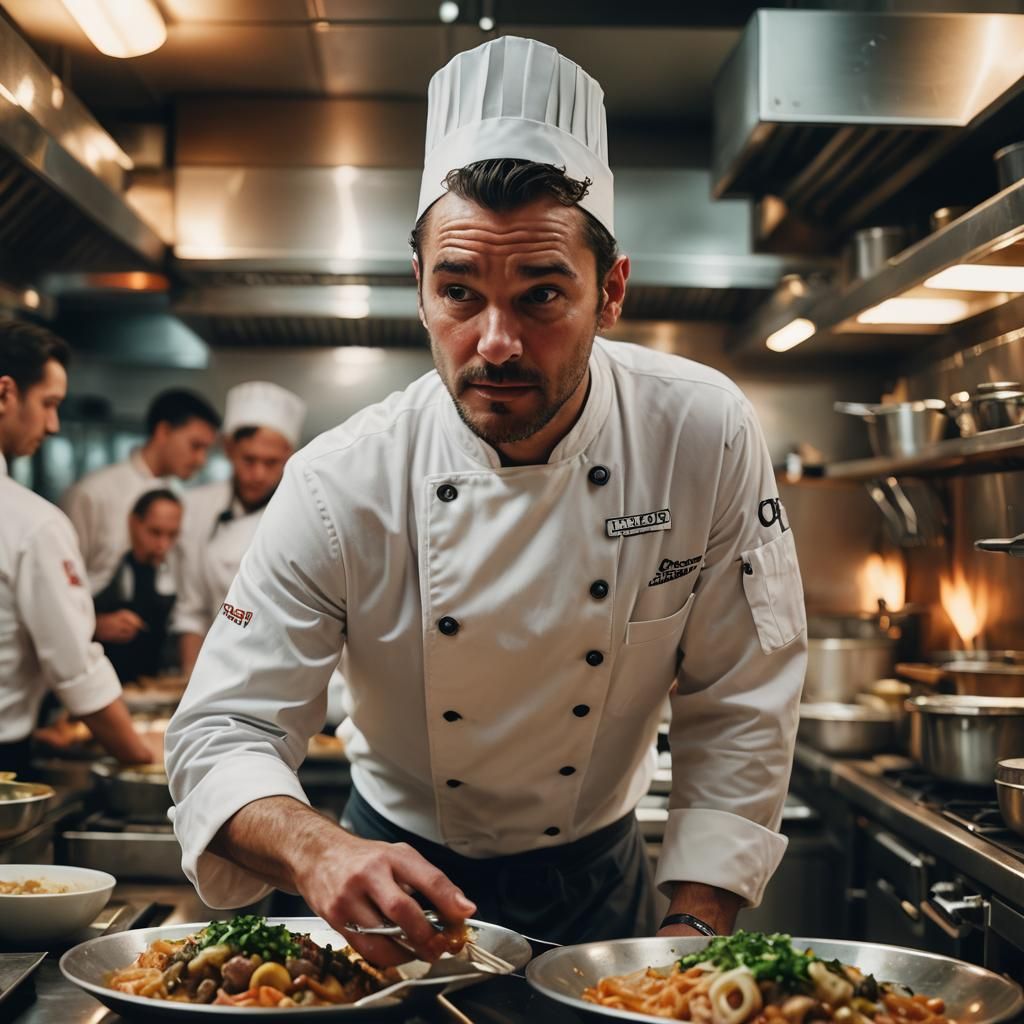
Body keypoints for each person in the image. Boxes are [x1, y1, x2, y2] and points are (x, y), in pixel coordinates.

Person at [166, 36, 806, 963]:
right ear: (417, 292)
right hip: (383, 880)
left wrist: (696, 928)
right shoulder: (340, 481)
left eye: (542, 295)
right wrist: (317, 850)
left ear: (611, 292)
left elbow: (741, 695)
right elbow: (223, 728)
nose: (495, 341)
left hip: (601, 881)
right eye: (459, 292)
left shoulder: (699, 433)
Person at [0, 320, 154, 773]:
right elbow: (76, 668)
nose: (53, 425)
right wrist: (141, 757)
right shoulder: (32, 523)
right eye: (49, 404)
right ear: (4, 393)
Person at [172, 381, 306, 678]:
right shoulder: (195, 507)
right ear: (229, 449)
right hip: (214, 663)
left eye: (271, 463)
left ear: (288, 455)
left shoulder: (305, 512)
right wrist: (191, 682)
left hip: (285, 667)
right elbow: (190, 612)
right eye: (249, 460)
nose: (258, 474)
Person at [61, 388, 220, 594]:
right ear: (163, 431)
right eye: (195, 446)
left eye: (206, 450)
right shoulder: (93, 494)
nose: (201, 460)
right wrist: (98, 621)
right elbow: (61, 580)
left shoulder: (182, 501)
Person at [94, 488, 183, 683]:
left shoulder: (179, 571)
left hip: (154, 688)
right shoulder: (103, 565)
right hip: (103, 682)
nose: (163, 545)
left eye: (172, 535)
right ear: (133, 523)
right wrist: (97, 626)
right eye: (155, 532)